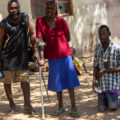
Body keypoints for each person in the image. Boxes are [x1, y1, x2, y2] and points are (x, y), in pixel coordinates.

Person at [36, 0, 80, 117]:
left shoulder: (61, 21)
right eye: (47, 8)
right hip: (53, 57)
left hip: (65, 56)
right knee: (58, 83)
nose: (49, 10)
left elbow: (68, 36)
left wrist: (68, 48)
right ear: (45, 9)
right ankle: (60, 106)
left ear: (56, 10)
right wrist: (42, 58)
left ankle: (73, 106)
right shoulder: (40, 21)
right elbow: (40, 42)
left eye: (52, 8)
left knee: (70, 82)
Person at [0, 0, 38, 114]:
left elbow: (32, 34)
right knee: (7, 82)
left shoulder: (26, 18)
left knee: (25, 81)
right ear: (8, 9)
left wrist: (35, 51)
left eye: (16, 7)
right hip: (6, 57)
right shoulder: (4, 23)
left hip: (22, 57)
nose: (14, 10)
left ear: (19, 7)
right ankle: (12, 105)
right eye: (11, 8)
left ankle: (28, 104)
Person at [93, 25, 120, 112]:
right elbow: (95, 65)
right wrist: (94, 80)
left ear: (109, 34)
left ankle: (115, 101)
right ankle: (108, 100)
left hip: (112, 84)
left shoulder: (116, 49)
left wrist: (105, 70)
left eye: (104, 34)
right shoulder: (97, 47)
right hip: (101, 85)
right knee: (101, 109)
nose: (102, 36)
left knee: (113, 108)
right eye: (100, 34)